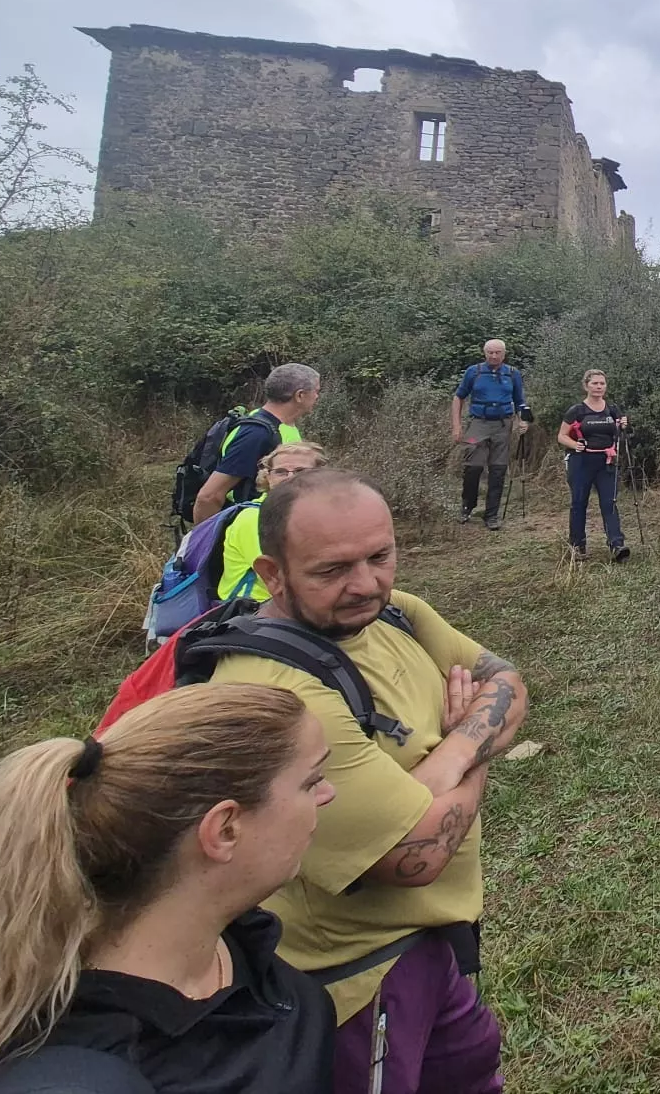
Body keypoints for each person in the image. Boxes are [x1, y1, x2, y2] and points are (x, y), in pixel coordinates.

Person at [207, 469, 527, 1093]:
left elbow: (509, 681)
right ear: (273, 574)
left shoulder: (397, 614)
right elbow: (417, 853)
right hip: (352, 984)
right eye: (331, 570)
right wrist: (477, 749)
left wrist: (451, 753)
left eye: (380, 557)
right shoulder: (279, 698)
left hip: (435, 946)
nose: (366, 584)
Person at [0, 686, 336, 1094]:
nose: (328, 794)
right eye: (312, 782)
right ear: (225, 829)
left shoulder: (239, 948)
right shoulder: (84, 1074)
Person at [192, 363, 321, 524]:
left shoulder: (284, 425)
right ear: (300, 395)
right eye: (316, 391)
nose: (317, 396)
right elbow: (209, 496)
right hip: (250, 528)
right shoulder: (256, 433)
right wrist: (206, 544)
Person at [218, 441, 331, 601]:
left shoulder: (320, 513)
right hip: (253, 611)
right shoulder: (253, 518)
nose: (290, 478)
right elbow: (281, 577)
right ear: (268, 477)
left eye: (301, 471)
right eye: (280, 472)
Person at [448, 341, 527, 532]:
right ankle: (467, 506)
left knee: (498, 469)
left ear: (504, 354)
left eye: (497, 352)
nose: (493, 356)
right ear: (484, 353)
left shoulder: (512, 373)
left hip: (503, 425)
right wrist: (457, 426)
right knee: (472, 466)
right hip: (478, 425)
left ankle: (491, 515)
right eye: (490, 352)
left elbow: (521, 401)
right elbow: (459, 397)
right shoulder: (473, 372)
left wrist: (523, 421)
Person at [556, 369, 629, 563]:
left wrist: (622, 425)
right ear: (586, 385)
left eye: (602, 384)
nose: (598, 387)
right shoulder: (577, 410)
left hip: (606, 461)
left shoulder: (612, 409)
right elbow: (561, 436)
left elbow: (620, 434)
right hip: (581, 461)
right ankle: (577, 547)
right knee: (579, 503)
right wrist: (575, 445)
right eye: (594, 383)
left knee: (610, 503)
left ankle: (617, 545)